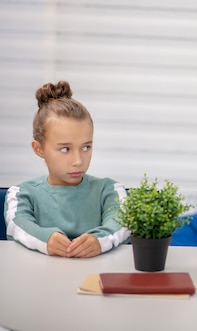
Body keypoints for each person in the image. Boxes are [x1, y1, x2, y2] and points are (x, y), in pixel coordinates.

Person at [3, 80, 130, 258]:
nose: (78, 161)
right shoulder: (20, 194)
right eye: (65, 149)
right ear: (38, 149)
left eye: (86, 147)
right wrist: (46, 239)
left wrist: (99, 241)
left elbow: (122, 224)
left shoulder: (110, 190)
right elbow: (17, 225)